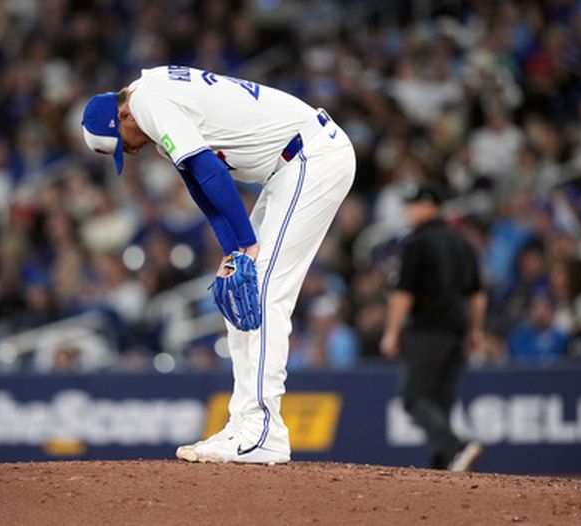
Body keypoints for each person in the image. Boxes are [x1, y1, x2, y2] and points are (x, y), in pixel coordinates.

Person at [81, 65, 356, 464]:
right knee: (238, 290)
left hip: (312, 156)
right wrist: (233, 251)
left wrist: (245, 243)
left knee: (263, 291)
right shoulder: (154, 105)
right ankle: (243, 425)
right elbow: (198, 183)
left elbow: (209, 169)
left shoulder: (146, 101)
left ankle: (265, 431)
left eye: (123, 144)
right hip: (288, 169)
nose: (132, 152)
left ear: (121, 116)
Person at [380, 182, 485, 472]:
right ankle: (444, 462)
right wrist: (476, 330)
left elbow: (403, 293)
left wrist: (391, 333)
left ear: (429, 205)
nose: (409, 211)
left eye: (413, 205)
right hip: (458, 330)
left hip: (428, 329)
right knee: (439, 402)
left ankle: (457, 448)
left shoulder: (417, 242)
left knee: (414, 398)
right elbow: (476, 294)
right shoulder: (461, 242)